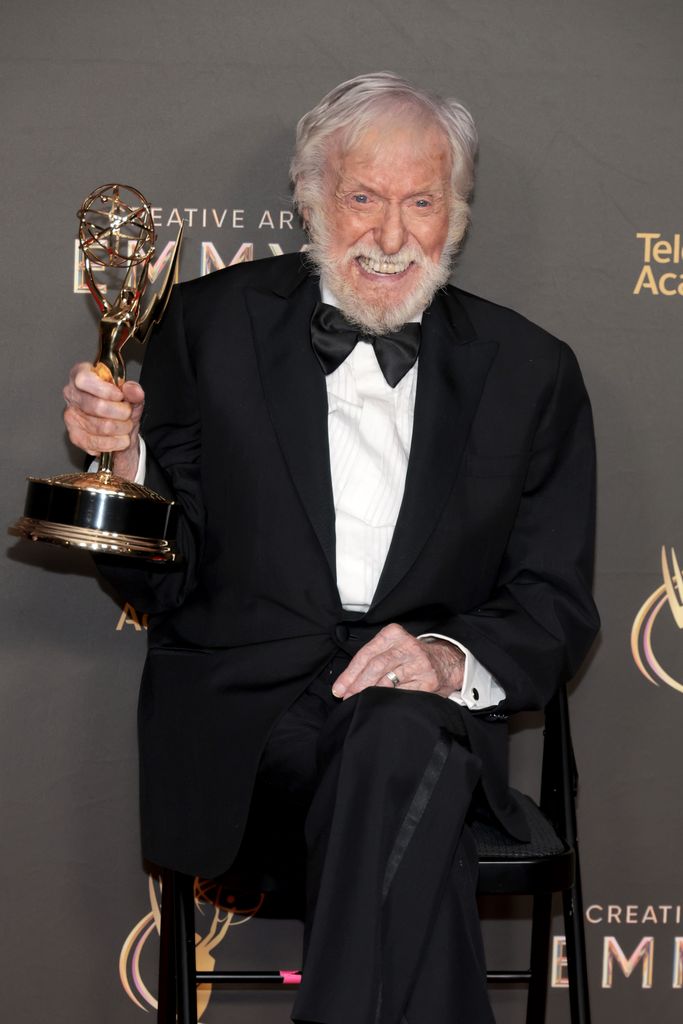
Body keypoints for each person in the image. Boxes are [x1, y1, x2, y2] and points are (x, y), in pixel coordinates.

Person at [63, 72, 599, 1024]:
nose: (391, 237)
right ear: (309, 200)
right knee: (401, 779)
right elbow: (157, 576)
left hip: (419, 735)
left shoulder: (532, 374)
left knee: (397, 735)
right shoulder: (208, 326)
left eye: (421, 202)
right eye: (363, 197)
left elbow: (554, 604)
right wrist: (126, 461)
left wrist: (442, 659)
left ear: (458, 216)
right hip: (249, 744)